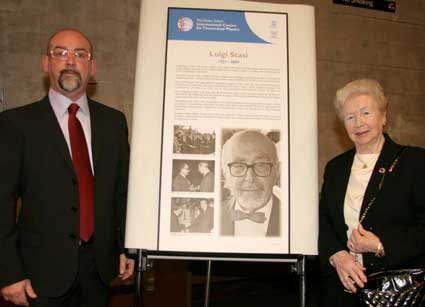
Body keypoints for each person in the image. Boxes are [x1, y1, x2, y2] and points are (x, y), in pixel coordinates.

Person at [0, 29, 134, 307]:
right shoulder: (15, 125)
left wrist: (125, 248)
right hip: (39, 276)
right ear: (46, 63)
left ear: (92, 67)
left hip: (99, 270)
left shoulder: (114, 122)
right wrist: (8, 273)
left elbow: (122, 193)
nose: (70, 61)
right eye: (60, 53)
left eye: (80, 54)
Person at [318, 79, 425, 307]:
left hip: (397, 293)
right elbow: (324, 222)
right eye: (350, 117)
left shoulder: (415, 162)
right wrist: (338, 256)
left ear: (383, 117)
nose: (359, 123)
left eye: (366, 112)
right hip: (341, 292)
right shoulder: (335, 168)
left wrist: (381, 246)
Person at [220, 130, 281, 236]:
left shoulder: (296, 218)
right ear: (225, 173)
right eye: (238, 166)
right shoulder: (214, 215)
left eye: (261, 165)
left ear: (277, 171)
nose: (250, 178)